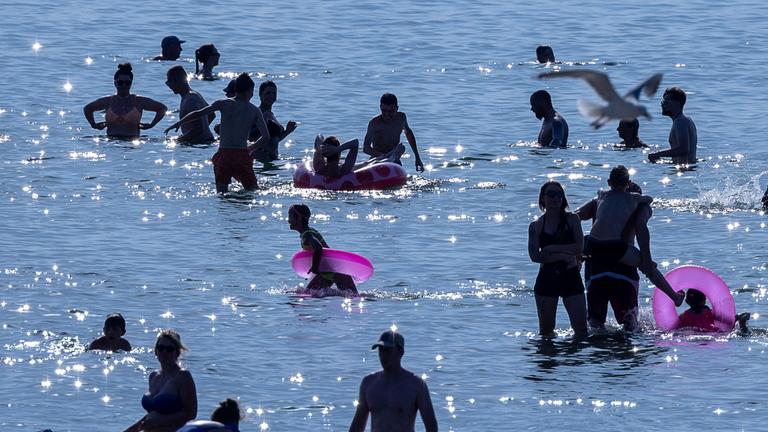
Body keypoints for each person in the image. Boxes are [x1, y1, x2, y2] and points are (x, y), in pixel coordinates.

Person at [580, 166, 685, 307]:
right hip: (614, 247)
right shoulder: (632, 198)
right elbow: (649, 200)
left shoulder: (601, 195)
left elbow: (578, 214)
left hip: (591, 244)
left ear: (609, 182)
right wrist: (647, 260)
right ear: (628, 183)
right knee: (647, 267)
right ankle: (675, 297)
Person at [165, 73, 269, 193]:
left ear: (236, 90)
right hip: (241, 155)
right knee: (252, 190)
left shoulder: (223, 103)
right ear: (250, 90)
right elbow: (265, 137)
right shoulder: (254, 110)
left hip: (223, 155)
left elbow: (198, 113)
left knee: (222, 193)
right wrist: (250, 148)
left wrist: (179, 123)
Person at [578, 181, 650, 331]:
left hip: (596, 265)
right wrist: (646, 260)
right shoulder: (638, 205)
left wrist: (577, 250)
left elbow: (575, 217)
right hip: (623, 266)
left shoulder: (600, 201)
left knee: (595, 323)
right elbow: (641, 227)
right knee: (630, 324)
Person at [528, 181, 588, 336]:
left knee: (581, 330)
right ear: (543, 198)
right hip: (547, 279)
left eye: (559, 194)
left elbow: (579, 247)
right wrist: (563, 256)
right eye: (551, 194)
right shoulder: (536, 225)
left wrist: (552, 249)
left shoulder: (572, 219)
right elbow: (535, 256)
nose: (555, 198)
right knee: (546, 333)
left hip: (571, 277)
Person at [349, 330, 438, 432]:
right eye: (381, 350)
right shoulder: (369, 383)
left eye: (388, 350)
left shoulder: (416, 384)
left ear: (401, 352)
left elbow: (431, 424)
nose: (383, 355)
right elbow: (358, 424)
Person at [123, 330, 197, 432]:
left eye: (169, 349)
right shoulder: (154, 377)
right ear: (156, 351)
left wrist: (162, 420)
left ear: (177, 352)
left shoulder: (183, 376)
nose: (164, 352)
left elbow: (191, 413)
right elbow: (152, 416)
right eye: (161, 348)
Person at [287, 203, 358, 295]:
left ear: (299, 218)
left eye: (290, 217)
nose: (288, 221)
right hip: (328, 272)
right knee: (306, 294)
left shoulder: (307, 235)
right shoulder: (308, 232)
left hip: (336, 272)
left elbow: (318, 247)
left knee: (355, 297)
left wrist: (315, 267)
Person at [83, 63, 167, 139]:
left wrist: (151, 125)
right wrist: (93, 124)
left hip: (133, 142)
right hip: (111, 142)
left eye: (127, 83)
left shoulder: (139, 101)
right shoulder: (107, 101)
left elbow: (162, 109)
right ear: (115, 83)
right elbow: (87, 108)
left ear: (131, 83)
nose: (124, 85)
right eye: (120, 82)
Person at [363, 93, 424, 172]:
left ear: (397, 108)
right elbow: (366, 148)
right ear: (380, 107)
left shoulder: (401, 118)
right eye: (384, 111)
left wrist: (417, 157)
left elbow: (408, 133)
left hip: (395, 160)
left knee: (401, 148)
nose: (387, 114)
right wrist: (383, 156)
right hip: (378, 160)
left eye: (391, 111)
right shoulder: (374, 123)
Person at [248, 80, 298, 162]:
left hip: (271, 158)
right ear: (260, 95)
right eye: (268, 93)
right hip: (260, 157)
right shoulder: (257, 114)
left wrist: (288, 131)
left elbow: (274, 139)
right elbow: (250, 136)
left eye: (274, 93)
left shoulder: (271, 114)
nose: (271, 96)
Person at [165, 65, 214, 144]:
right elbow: (211, 114)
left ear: (179, 80)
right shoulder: (193, 95)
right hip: (204, 142)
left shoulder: (190, 99)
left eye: (170, 82)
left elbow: (199, 129)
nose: (169, 85)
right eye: (167, 83)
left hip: (201, 145)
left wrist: (178, 140)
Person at [648, 87, 697, 164]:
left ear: (677, 103)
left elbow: (683, 149)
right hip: (687, 170)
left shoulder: (680, 122)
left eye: (666, 101)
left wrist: (657, 154)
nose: (662, 104)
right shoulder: (685, 121)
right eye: (663, 101)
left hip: (684, 173)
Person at [679, 289, 751, 332]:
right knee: (740, 332)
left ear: (687, 301)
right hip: (713, 332)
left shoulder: (683, 316)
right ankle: (742, 323)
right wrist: (738, 318)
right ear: (704, 300)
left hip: (691, 334)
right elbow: (728, 321)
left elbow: (674, 326)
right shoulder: (709, 312)